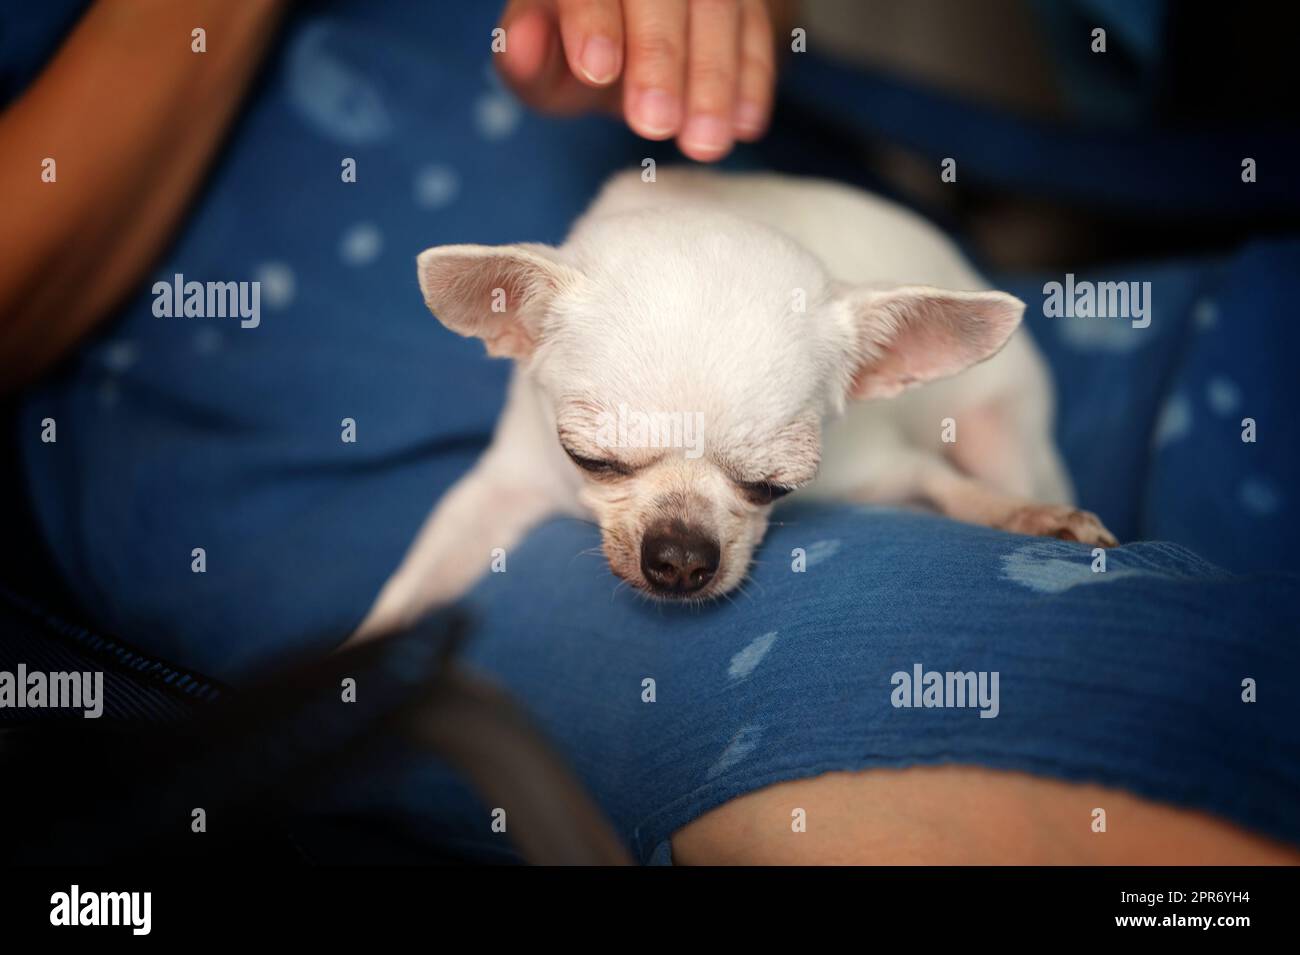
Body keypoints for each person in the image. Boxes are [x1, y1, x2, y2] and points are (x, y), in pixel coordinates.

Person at [1, 0, 1295, 864]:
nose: (678, 540)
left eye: (758, 478)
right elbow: (498, 500)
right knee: (1056, 701)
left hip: (930, 302)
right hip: (287, 453)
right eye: (604, 458)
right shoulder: (526, 363)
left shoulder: (867, 351)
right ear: (506, 323)